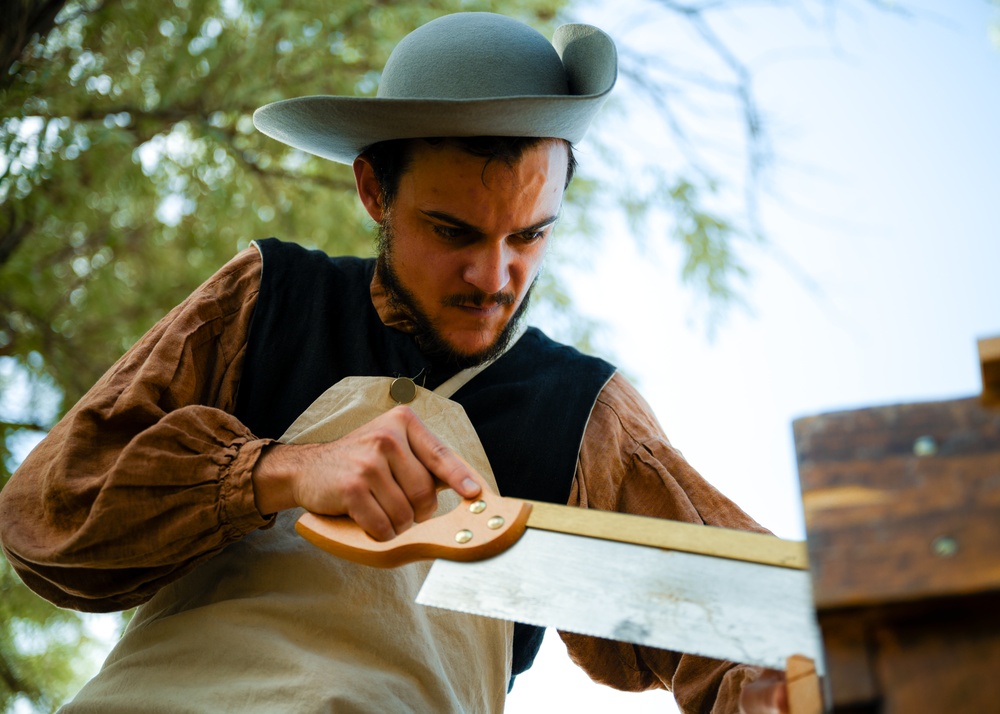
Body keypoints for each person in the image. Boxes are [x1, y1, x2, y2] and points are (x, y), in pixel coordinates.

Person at [0, 12, 789, 714]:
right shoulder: (270, 296)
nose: (494, 278)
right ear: (374, 189)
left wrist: (772, 688)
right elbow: (45, 520)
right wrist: (280, 473)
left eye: (528, 237)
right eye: (453, 232)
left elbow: (744, 633)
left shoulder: (586, 414)